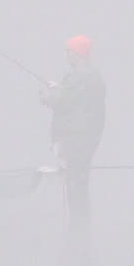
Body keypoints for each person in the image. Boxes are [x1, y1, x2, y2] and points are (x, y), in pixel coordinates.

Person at [40, 35, 106, 219]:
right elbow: (78, 99)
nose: (66, 55)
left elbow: (62, 102)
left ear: (77, 53)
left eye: (68, 51)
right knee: (80, 182)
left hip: (75, 139)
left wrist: (46, 97)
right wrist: (61, 87)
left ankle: (77, 223)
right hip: (88, 139)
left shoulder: (78, 75)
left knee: (74, 183)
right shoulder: (93, 75)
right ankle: (81, 221)